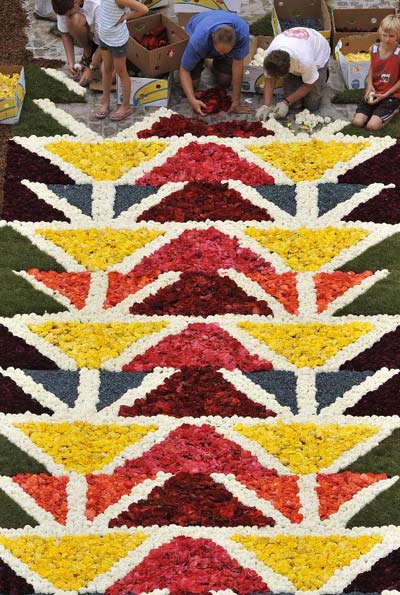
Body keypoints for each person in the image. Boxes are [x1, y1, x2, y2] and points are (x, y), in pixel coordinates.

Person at [179, 10, 253, 116]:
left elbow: (238, 65)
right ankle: (200, 57)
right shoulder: (199, 39)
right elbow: (184, 70)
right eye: (219, 51)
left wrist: (236, 101)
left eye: (226, 52)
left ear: (234, 44)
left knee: (224, 80)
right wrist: (192, 100)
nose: (222, 53)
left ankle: (208, 61)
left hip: (221, 25)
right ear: (213, 40)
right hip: (197, 27)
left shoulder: (242, 35)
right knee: (193, 84)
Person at [256, 27, 330, 121]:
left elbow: (309, 85)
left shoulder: (305, 61)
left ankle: (321, 75)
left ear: (288, 69)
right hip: (297, 55)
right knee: (294, 106)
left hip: (318, 52)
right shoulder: (269, 58)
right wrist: (265, 105)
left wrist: (285, 102)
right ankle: (304, 76)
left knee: (312, 105)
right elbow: (269, 80)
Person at [96, 0, 148, 121]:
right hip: (104, 36)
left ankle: (126, 106)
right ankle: (105, 102)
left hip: (117, 40)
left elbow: (144, 9)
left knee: (121, 72)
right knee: (107, 69)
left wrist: (126, 16)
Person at [352, 14, 400, 131]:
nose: (387, 39)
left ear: (398, 36)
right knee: (357, 122)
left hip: (392, 95)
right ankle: (376, 109)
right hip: (375, 91)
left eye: (391, 36)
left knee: (372, 126)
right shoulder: (373, 49)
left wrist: (385, 94)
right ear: (379, 31)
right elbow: (372, 68)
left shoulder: (398, 53)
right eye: (384, 35)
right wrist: (369, 86)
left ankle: (395, 108)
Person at [52, 0, 102, 87]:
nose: (66, 17)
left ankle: (94, 58)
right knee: (74, 20)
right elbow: (65, 33)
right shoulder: (62, 3)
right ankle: (88, 52)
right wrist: (71, 62)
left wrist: (91, 69)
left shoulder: (98, 6)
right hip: (96, 35)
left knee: (107, 74)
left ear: (75, 2)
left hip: (111, 41)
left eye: (69, 14)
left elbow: (105, 43)